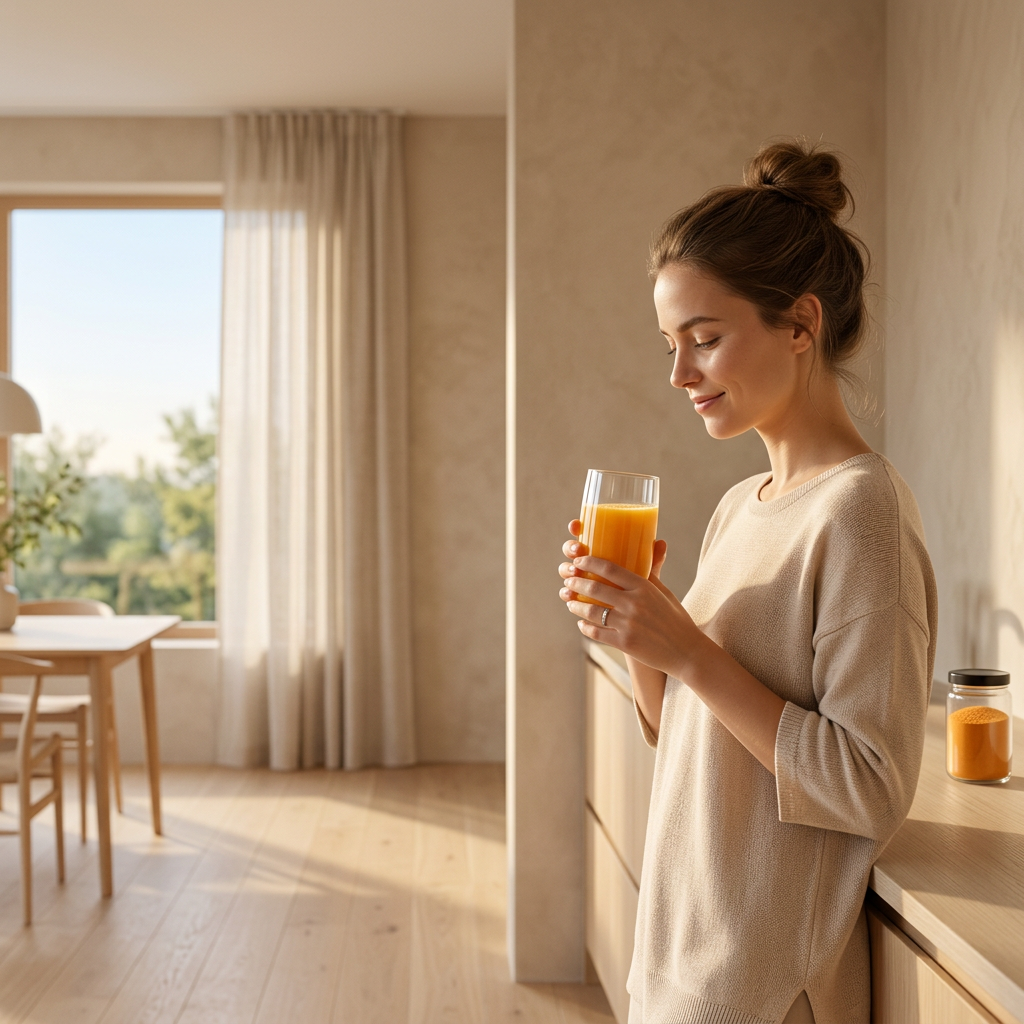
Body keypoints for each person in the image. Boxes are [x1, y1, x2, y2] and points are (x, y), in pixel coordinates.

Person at [558, 140, 937, 1024]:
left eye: (705, 339)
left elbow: (868, 786)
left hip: (759, 987)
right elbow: (687, 732)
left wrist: (685, 649)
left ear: (800, 325)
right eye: (670, 343)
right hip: (680, 957)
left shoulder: (861, 512)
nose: (679, 374)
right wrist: (631, 632)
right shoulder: (742, 505)